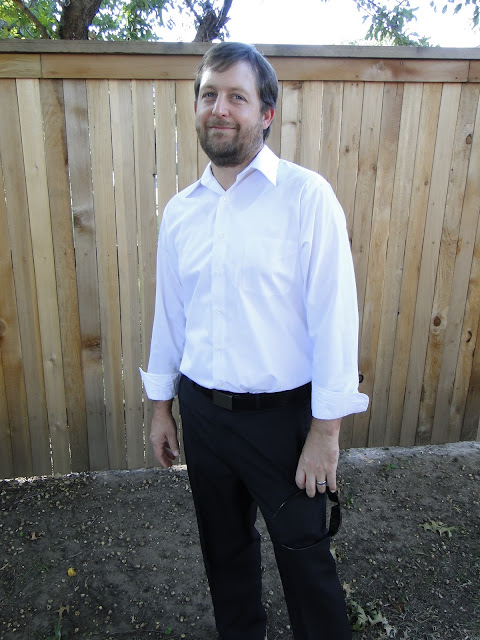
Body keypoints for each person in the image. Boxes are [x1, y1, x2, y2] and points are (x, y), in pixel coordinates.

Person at [140, 42, 369, 640]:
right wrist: (161, 408)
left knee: (306, 561)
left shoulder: (306, 198)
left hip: (284, 424)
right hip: (204, 416)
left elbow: (335, 320)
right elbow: (171, 317)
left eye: (236, 97)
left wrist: (326, 434)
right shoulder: (181, 213)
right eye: (209, 95)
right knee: (225, 557)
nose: (219, 108)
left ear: (266, 113)